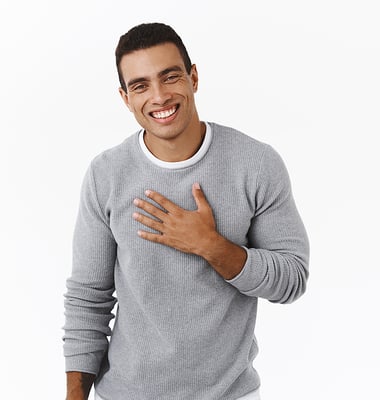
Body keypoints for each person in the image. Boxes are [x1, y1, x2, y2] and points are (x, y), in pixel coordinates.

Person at [63, 22, 309, 400]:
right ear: (125, 98)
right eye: (141, 85)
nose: (159, 96)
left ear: (193, 78)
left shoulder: (255, 163)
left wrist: (211, 245)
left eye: (170, 76)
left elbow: (292, 279)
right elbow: (88, 298)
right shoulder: (106, 174)